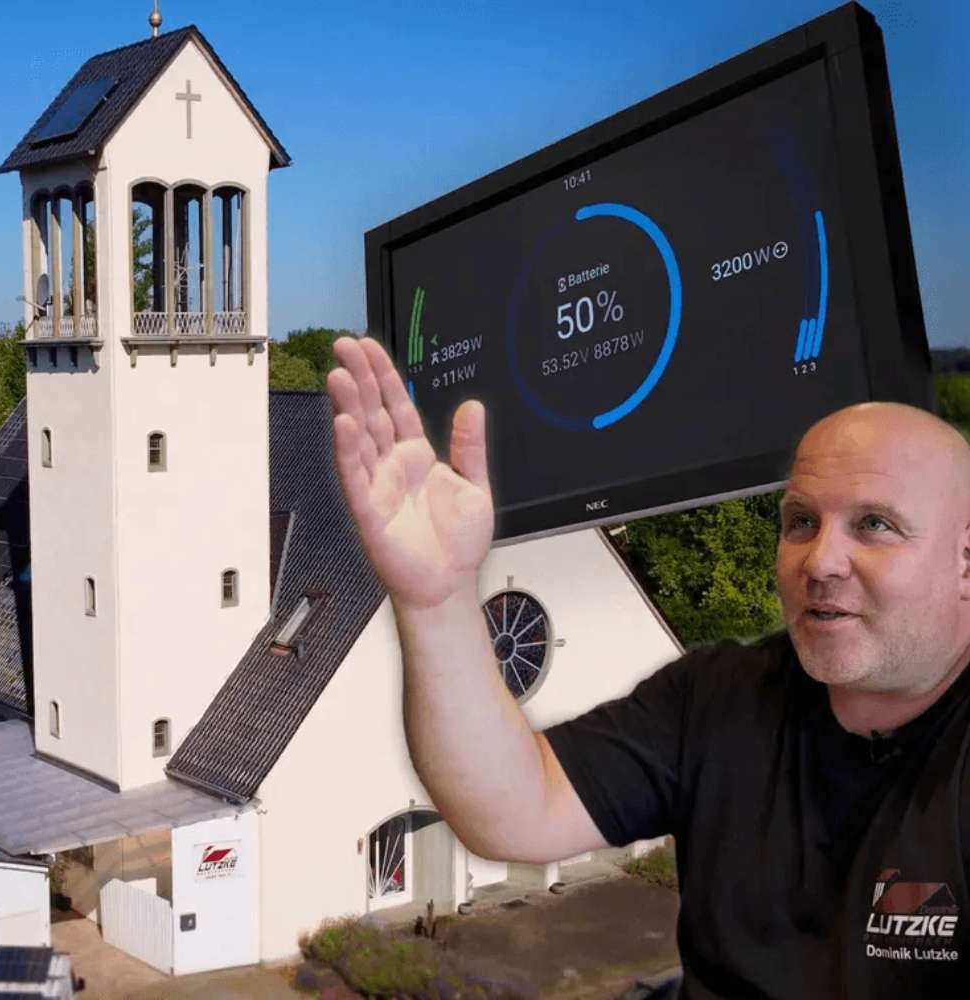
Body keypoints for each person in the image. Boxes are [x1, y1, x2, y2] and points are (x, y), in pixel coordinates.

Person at [327, 334, 970, 998]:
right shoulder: (719, 698)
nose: (821, 561)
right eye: (801, 522)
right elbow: (515, 808)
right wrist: (436, 601)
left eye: (875, 526)